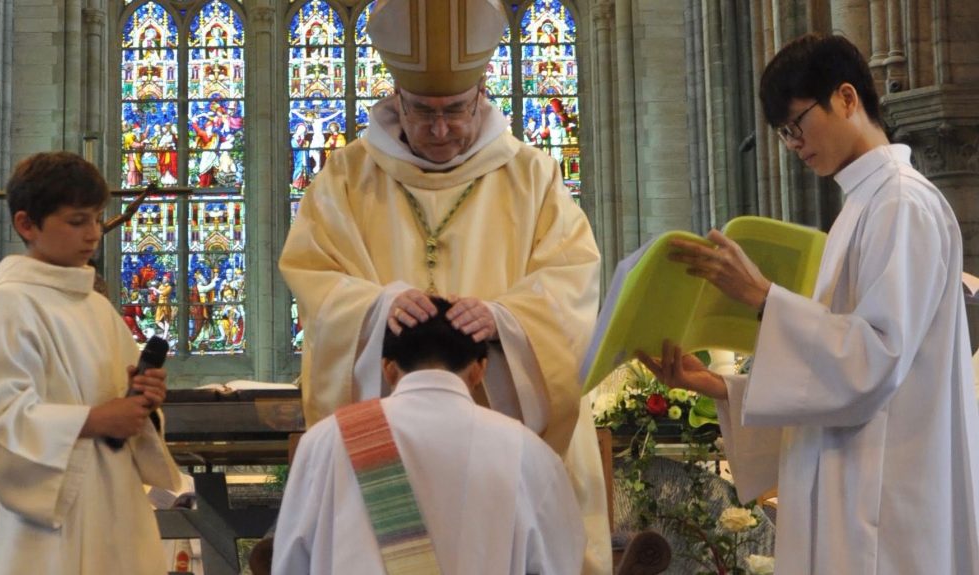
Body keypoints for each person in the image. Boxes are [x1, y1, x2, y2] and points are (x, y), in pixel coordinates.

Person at [278, 2, 610, 572]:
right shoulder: (346, 178)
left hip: (503, 423)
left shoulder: (531, 174)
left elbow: (572, 282)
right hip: (385, 431)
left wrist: (504, 320)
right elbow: (314, 275)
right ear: (395, 99)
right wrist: (377, 306)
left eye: (454, 110)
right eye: (422, 111)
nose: (439, 128)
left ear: (481, 94)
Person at [636, 33, 979, 574]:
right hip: (855, 485)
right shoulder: (863, 204)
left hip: (887, 506)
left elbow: (873, 361)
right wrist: (718, 386)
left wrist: (763, 297)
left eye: (798, 124)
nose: (793, 144)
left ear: (847, 98)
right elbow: (833, 372)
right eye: (783, 133)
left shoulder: (901, 203)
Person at [0, 151, 182, 575]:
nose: (94, 234)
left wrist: (145, 401)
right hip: (54, 520)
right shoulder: (9, 304)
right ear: (26, 224)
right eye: (77, 221)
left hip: (117, 504)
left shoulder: (98, 309)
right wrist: (95, 420)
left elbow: (125, 409)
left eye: (97, 219)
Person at [271, 297, 585, 574]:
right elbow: (560, 562)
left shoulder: (326, 441)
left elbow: (291, 561)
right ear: (479, 371)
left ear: (388, 369)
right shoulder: (527, 451)